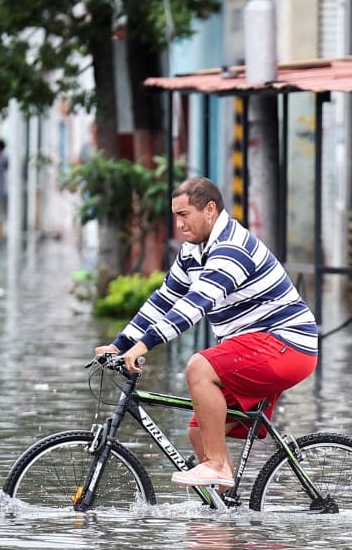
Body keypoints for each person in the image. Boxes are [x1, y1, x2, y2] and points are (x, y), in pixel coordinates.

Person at [95, 176, 318, 489]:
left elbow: (195, 305)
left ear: (210, 210)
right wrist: (120, 345)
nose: (179, 225)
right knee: (199, 431)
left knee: (199, 367)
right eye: (175, 217)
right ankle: (224, 510)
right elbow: (164, 299)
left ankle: (216, 466)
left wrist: (145, 344)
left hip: (286, 346)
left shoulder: (232, 248)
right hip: (254, 348)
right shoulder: (192, 253)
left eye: (184, 215)